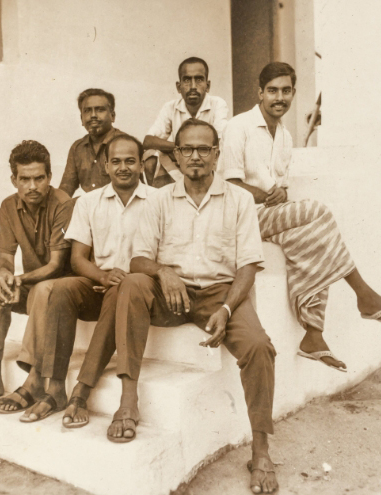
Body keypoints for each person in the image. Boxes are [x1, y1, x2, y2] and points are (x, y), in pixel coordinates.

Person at [217, 62, 381, 373]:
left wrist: (278, 194)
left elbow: (279, 185)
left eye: (285, 91)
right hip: (240, 217)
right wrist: (269, 195)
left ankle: (313, 336)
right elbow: (230, 185)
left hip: (268, 216)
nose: (278, 97)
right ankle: (364, 295)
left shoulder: (284, 135)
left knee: (316, 240)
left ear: (293, 93)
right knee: (319, 211)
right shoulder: (237, 127)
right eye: (272, 91)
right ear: (260, 93)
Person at [120, 119, 278, 493]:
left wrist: (225, 309)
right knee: (131, 285)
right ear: (175, 155)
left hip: (220, 295)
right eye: (186, 149)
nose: (194, 156)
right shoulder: (158, 199)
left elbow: (248, 265)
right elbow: (138, 260)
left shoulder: (240, 199)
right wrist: (164, 273)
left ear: (216, 155)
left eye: (203, 149)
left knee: (258, 346)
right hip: (170, 294)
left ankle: (261, 449)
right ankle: (128, 402)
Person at [12, 135, 159, 424]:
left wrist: (128, 278)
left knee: (124, 290)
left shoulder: (159, 200)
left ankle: (81, 391)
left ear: (142, 165)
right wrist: (103, 276)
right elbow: (78, 258)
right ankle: (54, 389)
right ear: (105, 166)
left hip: (140, 288)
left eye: (130, 161)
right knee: (60, 288)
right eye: (115, 161)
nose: (123, 167)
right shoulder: (89, 202)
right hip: (99, 282)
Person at [0, 140, 75, 410]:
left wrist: (20, 279)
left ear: (49, 176)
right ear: (14, 179)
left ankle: (33, 381)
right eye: (25, 179)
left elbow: (56, 265)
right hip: (33, 284)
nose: (32, 186)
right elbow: (5, 256)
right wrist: (4, 274)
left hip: (60, 288)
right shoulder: (8, 207)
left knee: (40, 289)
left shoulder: (63, 203)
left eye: (39, 178)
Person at [142, 57, 229, 188]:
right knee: (150, 159)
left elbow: (219, 140)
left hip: (207, 161)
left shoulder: (217, 104)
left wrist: (185, 148)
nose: (193, 86)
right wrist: (180, 148)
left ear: (208, 85)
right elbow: (148, 141)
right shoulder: (170, 107)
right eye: (187, 80)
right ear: (179, 86)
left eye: (199, 80)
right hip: (182, 161)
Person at [59, 88, 131, 197]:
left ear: (112, 116)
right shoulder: (77, 147)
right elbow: (66, 189)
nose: (93, 115)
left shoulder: (126, 143)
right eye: (87, 111)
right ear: (81, 119)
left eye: (100, 110)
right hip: (88, 209)